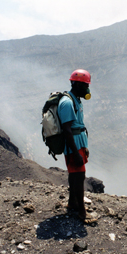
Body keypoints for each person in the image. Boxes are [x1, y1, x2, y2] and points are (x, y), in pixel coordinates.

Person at [57, 69, 96, 224]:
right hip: (73, 146)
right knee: (79, 177)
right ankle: (82, 212)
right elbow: (67, 130)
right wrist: (76, 153)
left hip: (79, 143)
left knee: (75, 175)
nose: (87, 89)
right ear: (76, 84)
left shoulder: (76, 99)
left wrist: (84, 146)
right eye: (85, 85)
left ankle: (73, 203)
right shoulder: (67, 102)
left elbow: (78, 126)